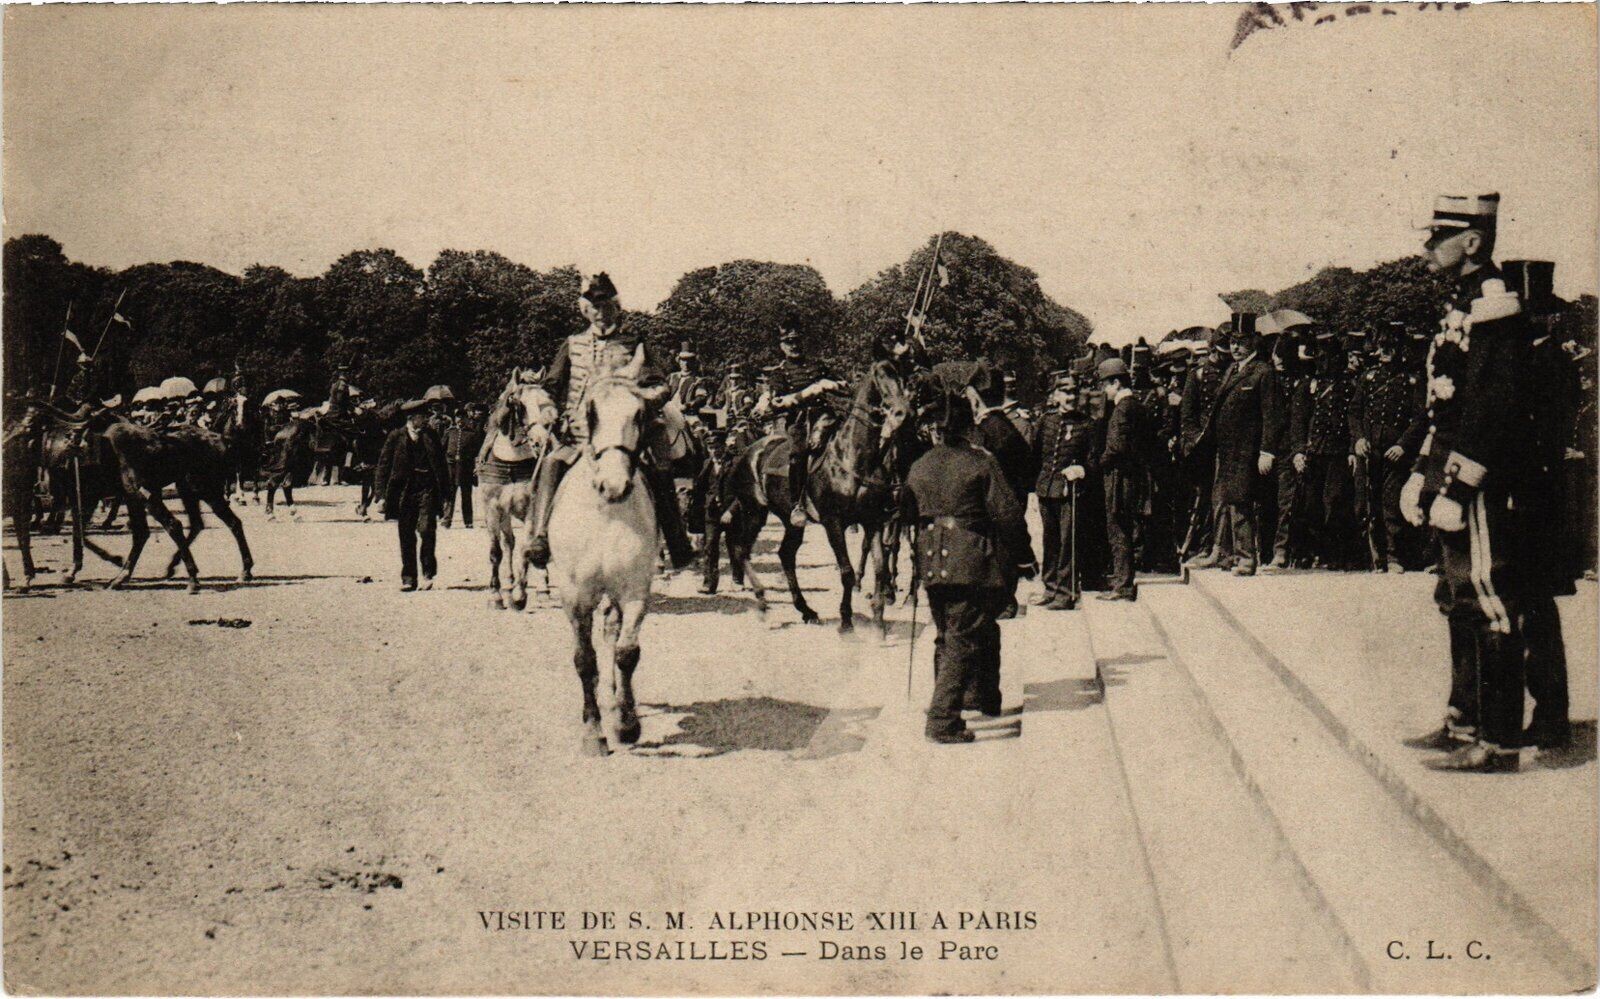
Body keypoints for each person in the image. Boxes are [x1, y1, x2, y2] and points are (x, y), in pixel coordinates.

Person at [1401, 192, 1533, 773]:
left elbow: (1492, 406)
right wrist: (1420, 472)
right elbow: (1444, 403)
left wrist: (1458, 486)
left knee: (1487, 599)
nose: (1427, 247)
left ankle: (1498, 743)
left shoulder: (1493, 303)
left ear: (1472, 241)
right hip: (1449, 466)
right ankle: (1463, 721)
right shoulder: (1462, 301)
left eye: (1439, 237)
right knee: (1458, 599)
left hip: (1476, 478)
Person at [527, 272, 695, 570]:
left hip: (629, 429)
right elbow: (550, 385)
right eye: (595, 307)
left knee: (660, 468)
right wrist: (547, 408)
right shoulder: (573, 344)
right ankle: (540, 536)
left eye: (607, 306)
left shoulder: (635, 343)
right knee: (551, 463)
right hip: (580, 431)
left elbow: (661, 384)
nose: (601, 313)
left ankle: (676, 540)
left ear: (617, 309)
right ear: (585, 310)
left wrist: (642, 401)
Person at [901, 386, 1030, 743]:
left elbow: (906, 514)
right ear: (968, 426)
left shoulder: (919, 465)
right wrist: (1024, 556)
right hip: (971, 560)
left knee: (951, 631)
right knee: (962, 637)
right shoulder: (980, 462)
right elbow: (1007, 515)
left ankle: (980, 697)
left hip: (931, 561)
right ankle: (942, 719)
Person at [1505, 259, 1575, 755]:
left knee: (1535, 610)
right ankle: (1539, 713)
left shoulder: (1548, 362)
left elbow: (1545, 435)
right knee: (1524, 607)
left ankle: (1550, 715)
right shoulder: (1526, 358)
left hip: (1534, 498)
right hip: (1525, 494)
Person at [1188, 315, 1280, 575]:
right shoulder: (1233, 369)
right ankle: (1230, 554)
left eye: (1242, 342)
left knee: (1241, 502)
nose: (1236, 347)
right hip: (1227, 450)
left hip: (1247, 450)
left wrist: (1267, 451)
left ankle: (1247, 558)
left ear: (1253, 342)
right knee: (1227, 501)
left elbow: (1271, 416)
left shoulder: (1262, 372)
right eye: (1233, 342)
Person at [1351, 322, 1427, 572]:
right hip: (1369, 450)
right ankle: (1373, 557)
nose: (1384, 351)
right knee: (1366, 504)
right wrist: (1359, 438)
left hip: (1395, 452)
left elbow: (1420, 418)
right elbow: (1355, 412)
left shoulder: (1412, 379)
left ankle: (1394, 556)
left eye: (1390, 347)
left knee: (1391, 503)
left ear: (1399, 349)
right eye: (1381, 346)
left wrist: (1403, 445)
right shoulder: (1368, 377)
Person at [973, 366, 1038, 616]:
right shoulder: (1002, 424)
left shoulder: (991, 428)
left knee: (1000, 549)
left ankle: (1004, 602)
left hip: (999, 498)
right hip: (1009, 496)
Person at [763, 325, 842, 529]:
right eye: (789, 342)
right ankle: (797, 503)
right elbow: (777, 403)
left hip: (826, 416)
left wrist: (832, 385)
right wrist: (809, 391)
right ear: (782, 346)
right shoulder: (779, 373)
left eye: (797, 341)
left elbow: (844, 385)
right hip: (799, 421)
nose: (794, 346)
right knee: (798, 454)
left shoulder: (817, 366)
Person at [1033, 372, 1096, 609]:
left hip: (1071, 492)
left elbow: (1094, 459)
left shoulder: (1087, 424)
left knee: (1068, 541)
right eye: (1065, 392)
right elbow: (1035, 454)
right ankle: (1050, 588)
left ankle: (1065, 592)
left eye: (1074, 392)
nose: (1070, 397)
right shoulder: (1045, 421)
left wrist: (1082, 470)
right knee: (1049, 540)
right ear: (1055, 395)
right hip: (1046, 488)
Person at [374, 398, 451, 592]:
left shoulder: (431, 435)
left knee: (426, 529)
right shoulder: (396, 436)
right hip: (404, 491)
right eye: (421, 417)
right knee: (406, 533)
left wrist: (446, 493)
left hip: (427, 488)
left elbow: (441, 465)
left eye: (425, 417)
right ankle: (409, 578)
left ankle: (428, 573)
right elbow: (383, 465)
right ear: (412, 418)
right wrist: (381, 495)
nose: (425, 420)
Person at [1097, 357, 1151, 600]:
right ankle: (1123, 579)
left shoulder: (1121, 409)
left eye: (1105, 385)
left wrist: (1098, 464)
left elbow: (1116, 447)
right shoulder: (1137, 406)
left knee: (1117, 529)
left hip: (1120, 478)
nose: (1104, 390)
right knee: (1127, 528)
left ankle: (1123, 585)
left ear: (1116, 383)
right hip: (1134, 475)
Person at [443, 401, 485, 529]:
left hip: (466, 468)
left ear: (466, 419)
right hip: (451, 467)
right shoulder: (449, 432)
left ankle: (468, 520)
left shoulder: (472, 434)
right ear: (455, 419)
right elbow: (442, 449)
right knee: (450, 494)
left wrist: (476, 467)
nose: (460, 420)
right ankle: (447, 520)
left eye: (462, 417)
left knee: (466, 494)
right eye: (458, 417)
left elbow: (477, 452)